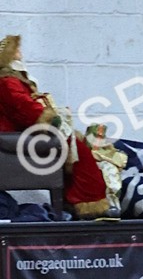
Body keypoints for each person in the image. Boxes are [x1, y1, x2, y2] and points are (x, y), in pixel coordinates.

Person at [0, 34, 112, 218]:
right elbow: (26, 108)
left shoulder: (12, 79)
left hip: (23, 132)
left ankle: (76, 200)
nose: (21, 53)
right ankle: (89, 202)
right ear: (10, 56)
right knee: (80, 151)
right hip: (20, 135)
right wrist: (52, 118)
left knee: (78, 144)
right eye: (17, 50)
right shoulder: (8, 82)